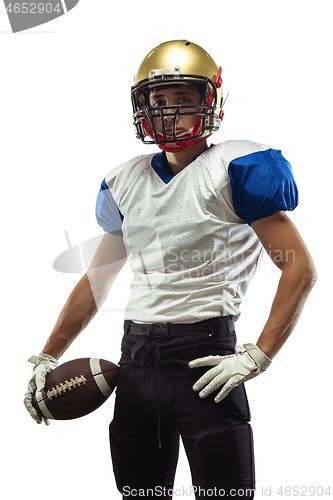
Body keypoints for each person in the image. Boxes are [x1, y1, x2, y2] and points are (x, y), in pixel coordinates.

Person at [24, 40, 316, 499]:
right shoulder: (124, 179)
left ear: (210, 102)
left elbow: (299, 271)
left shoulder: (238, 166)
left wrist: (258, 354)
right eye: (158, 101)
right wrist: (48, 355)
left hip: (205, 359)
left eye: (183, 99)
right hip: (136, 360)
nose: (168, 112)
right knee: (140, 495)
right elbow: (98, 280)